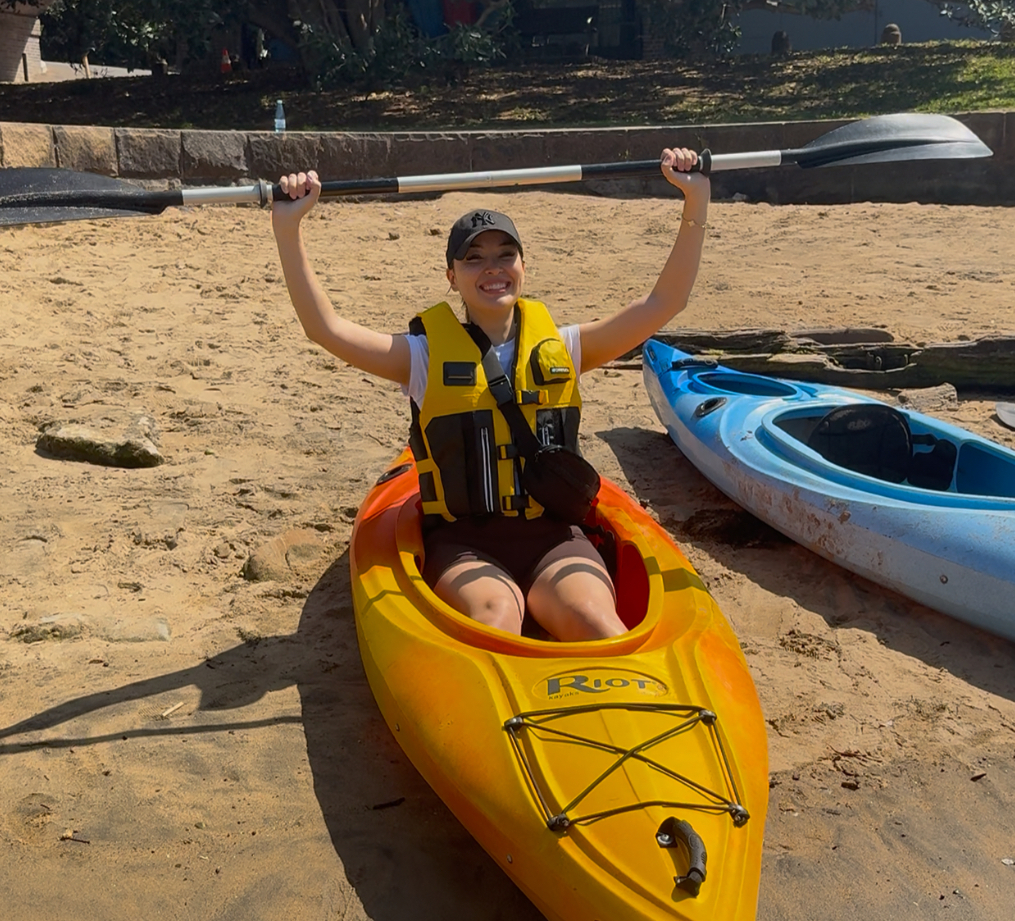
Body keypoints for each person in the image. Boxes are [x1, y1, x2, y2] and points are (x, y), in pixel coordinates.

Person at [272, 149, 709, 640]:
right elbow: (325, 329)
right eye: (474, 258)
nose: (492, 268)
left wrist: (695, 199)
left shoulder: (567, 346)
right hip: (464, 544)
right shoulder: (421, 357)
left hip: (553, 536)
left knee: (595, 620)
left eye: (505, 254)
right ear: (452, 276)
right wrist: (289, 228)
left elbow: (665, 302)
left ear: (523, 266)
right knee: (496, 615)